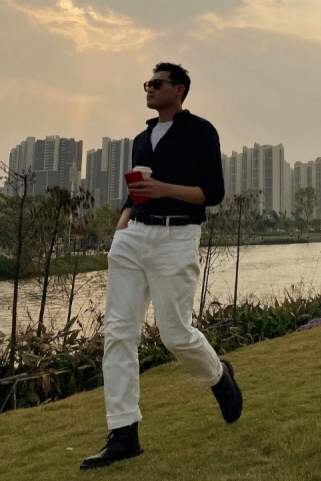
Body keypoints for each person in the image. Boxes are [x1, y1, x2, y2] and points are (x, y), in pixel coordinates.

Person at [81, 62, 243, 471]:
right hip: (133, 236)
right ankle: (123, 433)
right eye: (147, 84)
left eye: (156, 83)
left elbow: (213, 192)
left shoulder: (200, 131)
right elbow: (135, 192)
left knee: (175, 333)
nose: (149, 89)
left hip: (176, 237)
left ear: (179, 89)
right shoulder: (141, 138)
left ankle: (219, 375)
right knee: (119, 333)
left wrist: (162, 189)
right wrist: (122, 227)